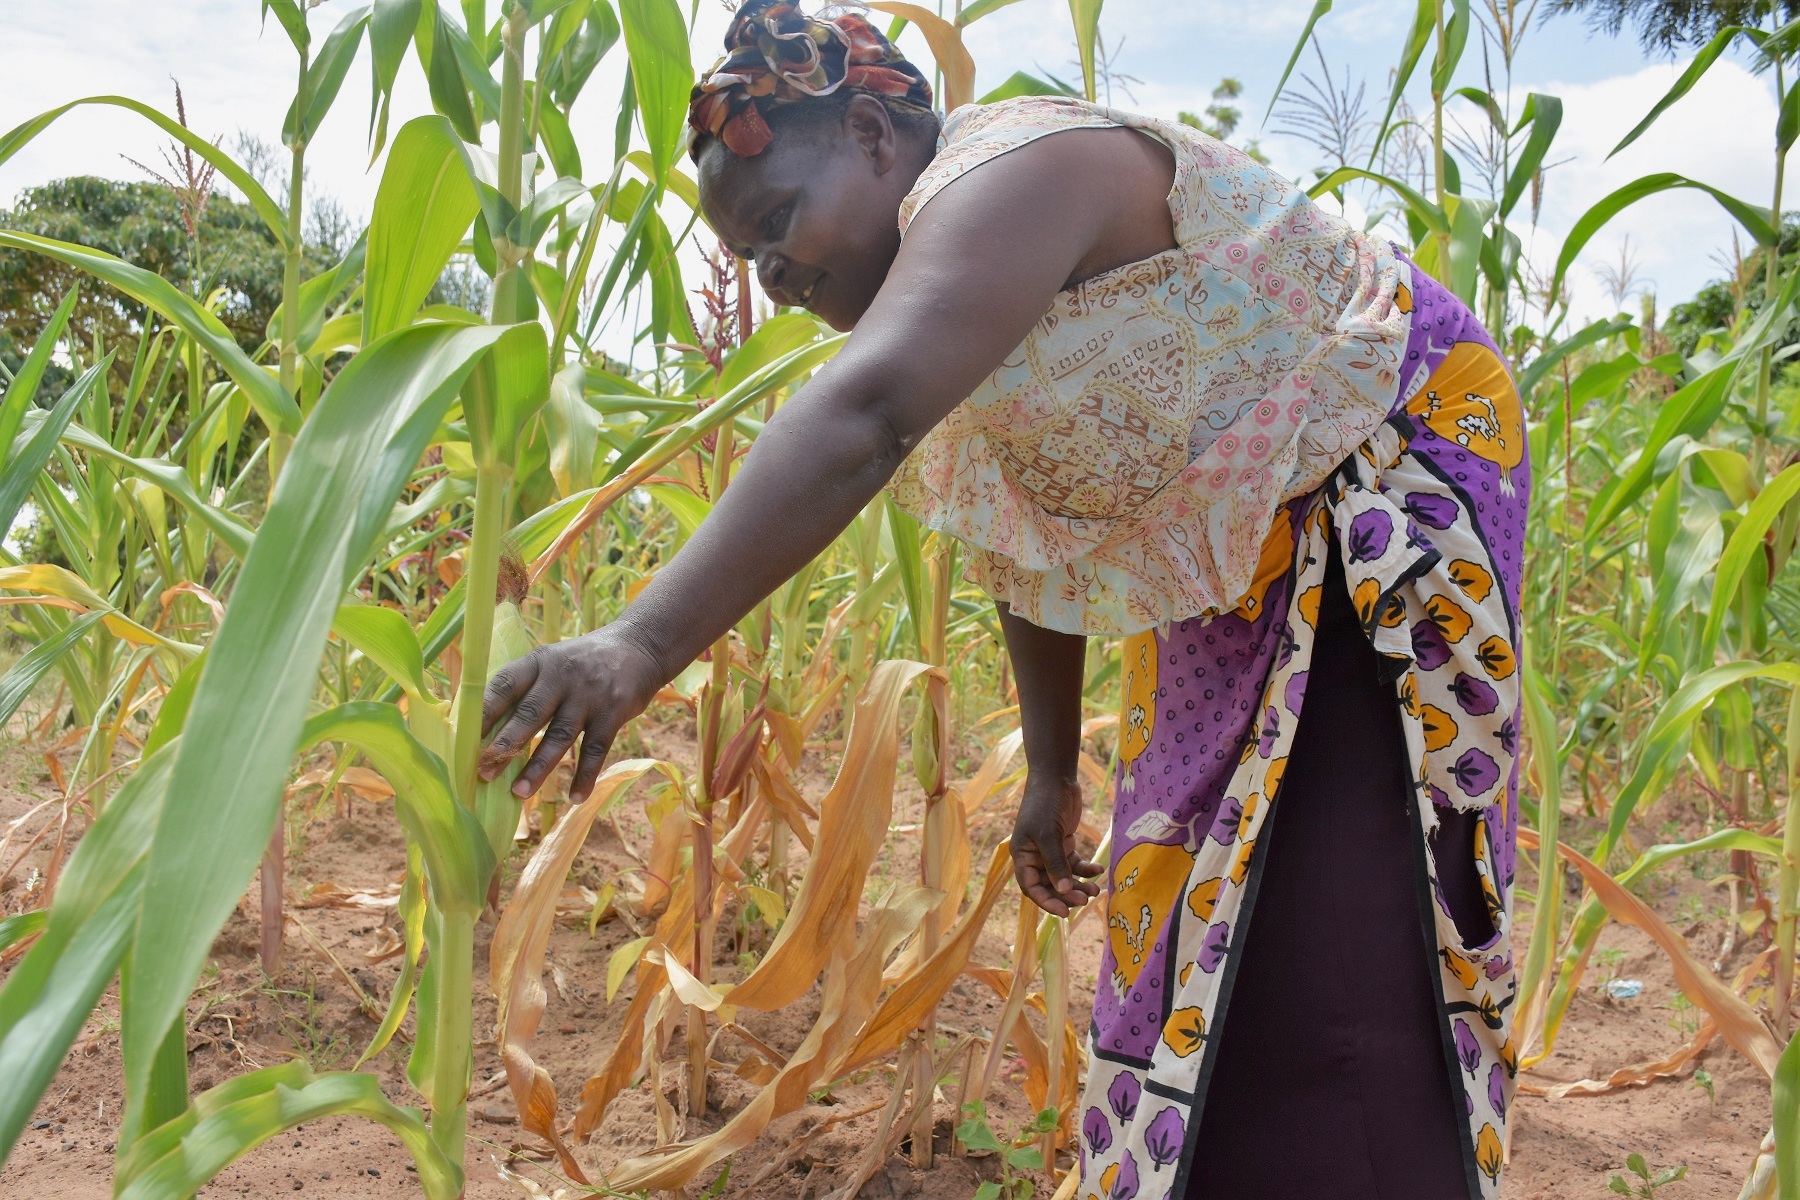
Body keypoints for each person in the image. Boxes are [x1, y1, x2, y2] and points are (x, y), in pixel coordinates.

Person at [480, 3, 1528, 1196]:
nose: (777, 283)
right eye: (755, 265)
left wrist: (637, 641)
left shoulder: (1013, 175)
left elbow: (862, 417)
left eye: (779, 224)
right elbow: (1032, 537)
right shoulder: (958, 321)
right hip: (1237, 542)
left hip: (1384, 472)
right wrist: (1049, 772)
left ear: (876, 133)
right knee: (1182, 878)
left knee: (1343, 886)